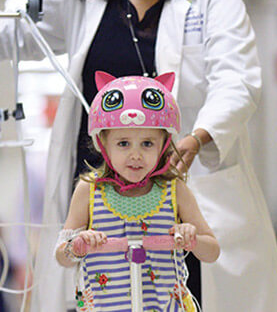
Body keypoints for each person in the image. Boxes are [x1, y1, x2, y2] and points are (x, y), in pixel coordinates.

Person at [0, 0, 277, 311]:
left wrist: (197, 139)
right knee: (101, 292)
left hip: (178, 182)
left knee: (183, 293)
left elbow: (236, 79)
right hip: (101, 192)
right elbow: (26, 34)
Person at [54, 72, 219, 312]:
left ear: (164, 145)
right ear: (103, 144)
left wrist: (192, 239)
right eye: (123, 143)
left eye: (147, 143)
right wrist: (77, 245)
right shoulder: (89, 191)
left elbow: (212, 251)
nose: (136, 155)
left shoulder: (175, 191)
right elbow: (62, 257)